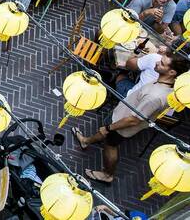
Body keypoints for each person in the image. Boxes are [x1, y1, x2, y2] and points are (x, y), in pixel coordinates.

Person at [72, 55, 190, 184]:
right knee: (106, 137)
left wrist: (109, 127)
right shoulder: (165, 83)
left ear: (172, 72)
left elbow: (134, 120)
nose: (156, 63)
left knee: (110, 145)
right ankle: (86, 141)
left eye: (161, 63)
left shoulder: (155, 97)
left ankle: (107, 174)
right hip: (121, 114)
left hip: (121, 124)